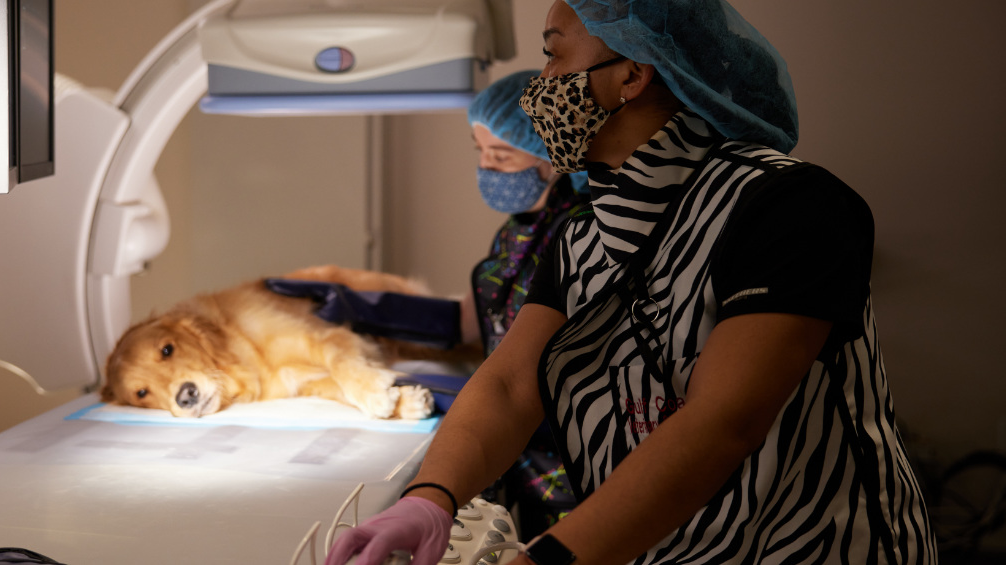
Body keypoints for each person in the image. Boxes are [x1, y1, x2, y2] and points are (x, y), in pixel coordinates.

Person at [326, 1, 937, 565]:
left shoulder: (787, 203)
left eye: (553, 55)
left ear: (632, 75)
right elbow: (511, 385)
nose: (540, 84)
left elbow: (724, 422)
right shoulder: (583, 234)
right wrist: (430, 497)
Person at [463, 69, 587, 540]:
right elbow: (485, 320)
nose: (486, 167)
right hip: (523, 456)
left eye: (501, 155)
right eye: (480, 152)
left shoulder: (581, 231)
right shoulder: (515, 231)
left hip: (568, 461)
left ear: (551, 156)